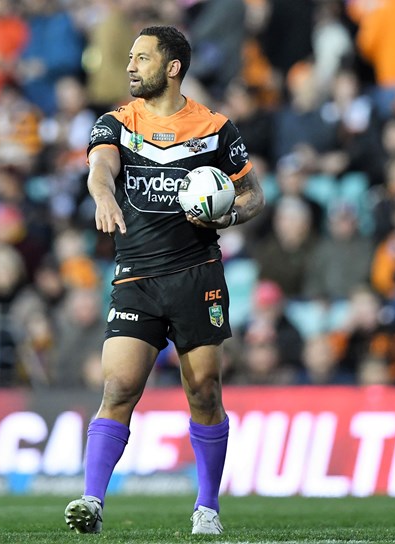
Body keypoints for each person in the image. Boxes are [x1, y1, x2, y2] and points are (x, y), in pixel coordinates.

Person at [63, 26, 264, 536]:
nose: (129, 66)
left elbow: (254, 195)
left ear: (172, 67)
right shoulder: (116, 122)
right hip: (136, 276)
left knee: (204, 391)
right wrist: (104, 194)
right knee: (119, 385)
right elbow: (101, 167)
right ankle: (91, 499)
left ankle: (207, 506)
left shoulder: (215, 128)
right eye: (129, 57)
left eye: (141, 58)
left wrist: (228, 216)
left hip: (197, 275)